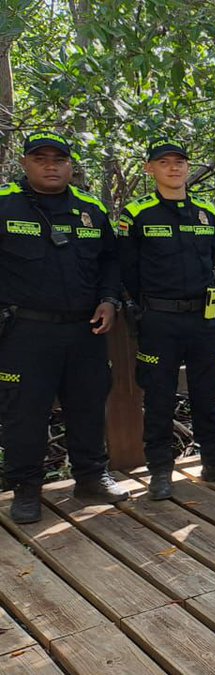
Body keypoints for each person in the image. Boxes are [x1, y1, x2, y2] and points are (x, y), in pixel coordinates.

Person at [0, 132, 128, 523]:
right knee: (24, 412)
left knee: (88, 405)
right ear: (25, 164)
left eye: (59, 159)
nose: (51, 165)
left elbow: (111, 261)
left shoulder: (91, 208)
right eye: (41, 158)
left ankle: (90, 476)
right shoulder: (5, 204)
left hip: (84, 331)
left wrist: (109, 300)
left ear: (71, 165)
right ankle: (25, 489)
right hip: (24, 332)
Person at [118, 137, 215, 499]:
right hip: (159, 321)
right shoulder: (137, 213)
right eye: (164, 162)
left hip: (202, 320)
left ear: (188, 168)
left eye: (180, 161)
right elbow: (126, 269)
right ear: (150, 169)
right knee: (159, 396)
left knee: (206, 392)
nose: (174, 168)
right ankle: (160, 470)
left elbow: (212, 260)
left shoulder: (206, 211)